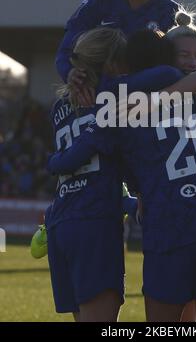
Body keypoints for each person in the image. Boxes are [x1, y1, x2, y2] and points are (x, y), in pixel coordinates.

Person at [48, 12, 196, 322]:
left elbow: (120, 166)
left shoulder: (120, 109)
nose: (195, 62)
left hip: (166, 225)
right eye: (187, 56)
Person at [45, 28, 139, 322]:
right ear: (110, 64)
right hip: (94, 222)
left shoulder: (60, 107)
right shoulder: (114, 105)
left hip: (61, 221)